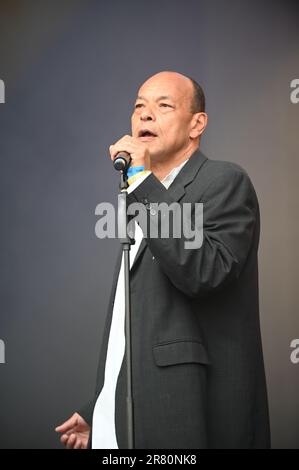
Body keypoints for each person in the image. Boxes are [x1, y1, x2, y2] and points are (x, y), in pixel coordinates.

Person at [55, 71, 270, 449]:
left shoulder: (223, 180)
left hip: (188, 420)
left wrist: (141, 180)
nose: (145, 115)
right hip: (133, 422)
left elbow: (204, 271)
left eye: (163, 106)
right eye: (139, 106)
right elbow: (148, 324)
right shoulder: (148, 199)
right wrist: (104, 409)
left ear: (196, 124)